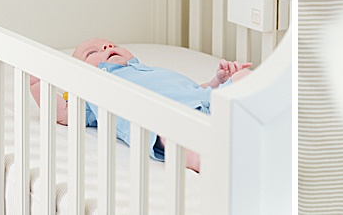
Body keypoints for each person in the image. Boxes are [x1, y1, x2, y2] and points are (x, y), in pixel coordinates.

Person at [30, 38, 252, 171]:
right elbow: (63, 113)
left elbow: (191, 91)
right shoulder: (93, 91)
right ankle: (213, 163)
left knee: (243, 76)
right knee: (171, 133)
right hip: (165, 121)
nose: (107, 46)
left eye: (111, 44)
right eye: (93, 52)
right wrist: (35, 79)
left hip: (205, 102)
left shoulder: (148, 69)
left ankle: (265, 124)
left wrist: (218, 81)